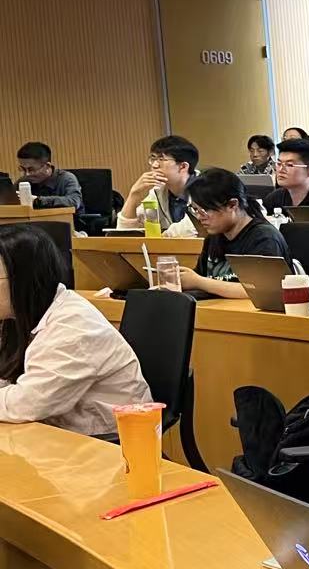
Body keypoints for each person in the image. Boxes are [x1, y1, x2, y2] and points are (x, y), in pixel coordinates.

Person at [0, 225, 151, 436]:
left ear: (25, 280)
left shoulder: (73, 328)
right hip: (57, 428)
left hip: (109, 439)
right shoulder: (22, 314)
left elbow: (28, 403)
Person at [176, 169, 288, 299]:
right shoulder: (214, 237)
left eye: (205, 210)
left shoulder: (264, 238)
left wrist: (199, 282)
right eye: (195, 210)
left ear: (232, 205)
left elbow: (263, 291)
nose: (200, 217)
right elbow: (200, 279)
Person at [117, 135, 199, 236]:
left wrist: (163, 238)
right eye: (153, 158)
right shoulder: (158, 191)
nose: (154, 165)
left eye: (161, 159)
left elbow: (193, 228)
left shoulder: (207, 187)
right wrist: (134, 194)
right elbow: (125, 233)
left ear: (183, 166)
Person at [14, 143, 82, 212]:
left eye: (31, 169)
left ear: (47, 166)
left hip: (68, 218)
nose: (27, 174)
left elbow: (74, 202)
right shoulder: (23, 182)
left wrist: (38, 201)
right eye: (23, 169)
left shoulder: (66, 178)